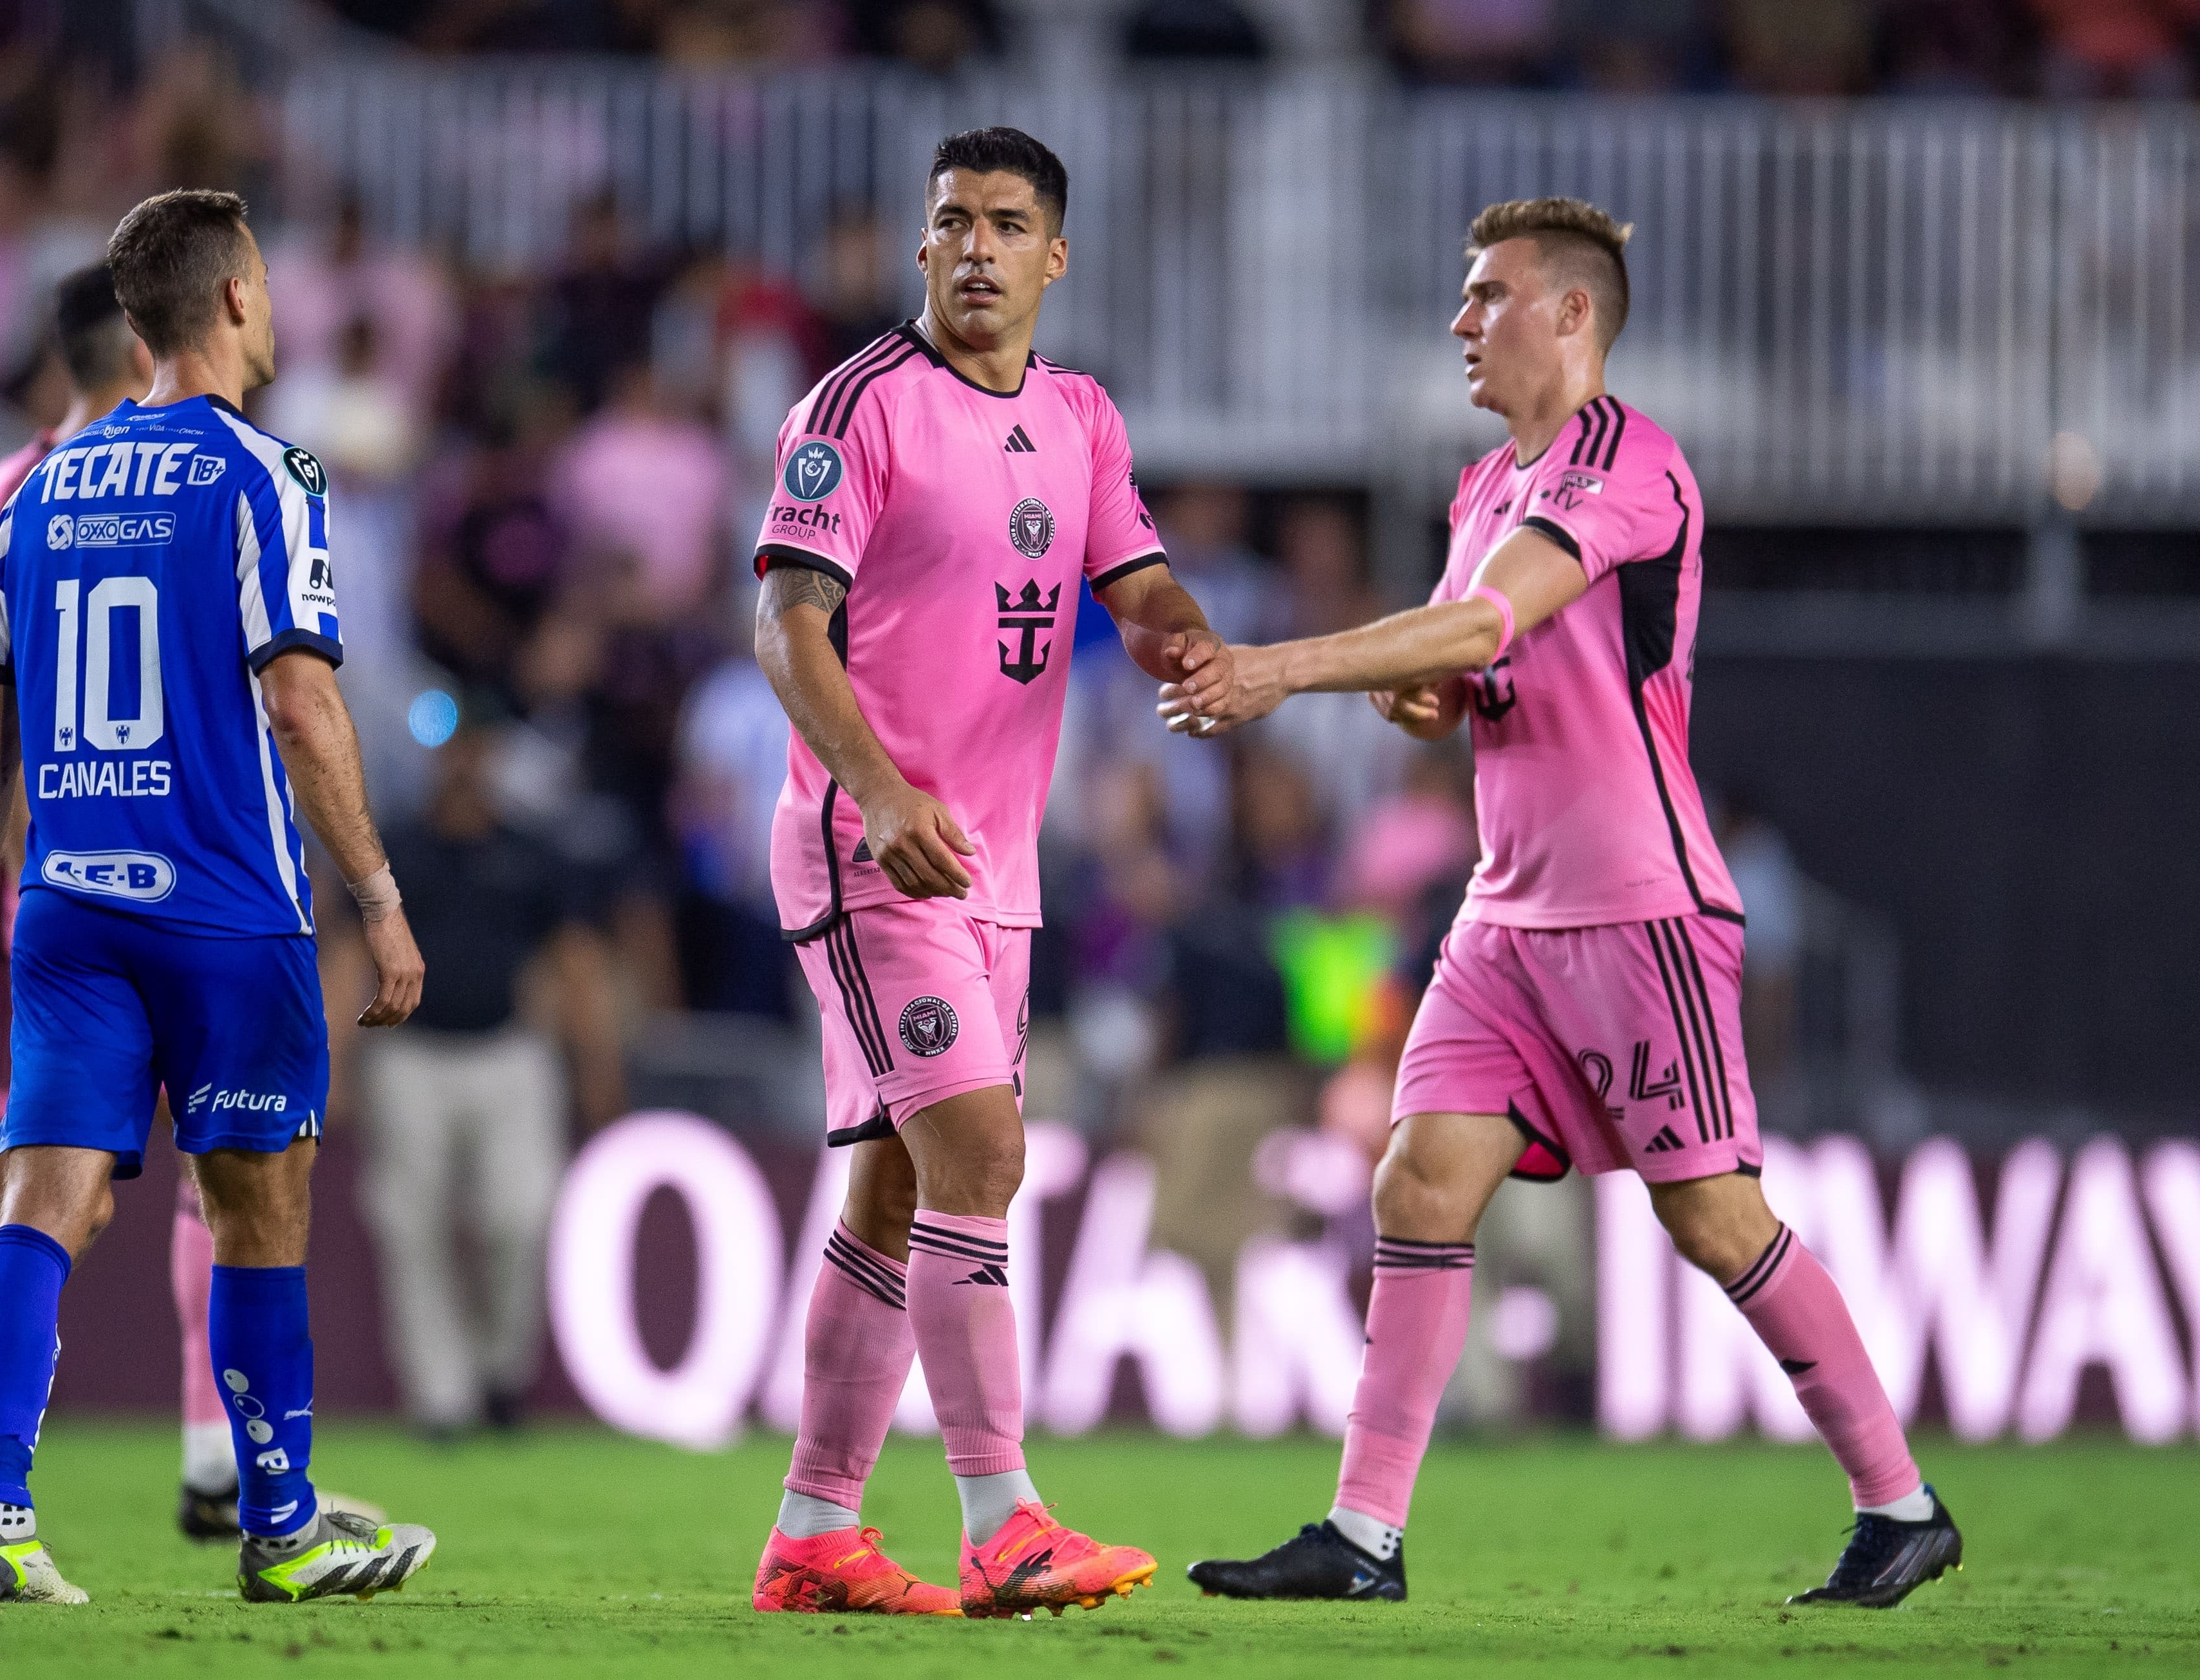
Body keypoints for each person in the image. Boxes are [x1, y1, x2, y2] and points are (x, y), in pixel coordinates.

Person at [1167, 198, 1961, 1609]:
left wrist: (1278, 667)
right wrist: (1416, 699)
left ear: (1571, 314)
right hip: (1502, 918)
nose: (1460, 322)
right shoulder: (1484, 489)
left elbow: (1482, 621)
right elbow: (1453, 676)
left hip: (1633, 912)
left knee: (1711, 1217)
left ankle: (1896, 1502)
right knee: (1414, 1177)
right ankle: (1360, 1537)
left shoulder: (1630, 464)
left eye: (1486, 296)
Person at [0, 189, 438, 1606]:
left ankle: (0, 1517)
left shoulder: (40, 487)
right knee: (259, 1213)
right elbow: (306, 707)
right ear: (237, 300)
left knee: (41, 1204)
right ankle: (279, 1524)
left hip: (68, 909)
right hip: (224, 910)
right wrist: (377, 895)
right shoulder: (270, 475)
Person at [749, 126, 1230, 1620]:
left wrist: (1199, 647)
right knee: (983, 1160)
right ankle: (1001, 1520)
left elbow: (1135, 587)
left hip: (996, 870)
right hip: (872, 845)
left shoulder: (1080, 418)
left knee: (899, 1196)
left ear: (1052, 257)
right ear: (920, 243)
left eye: (1005, 224)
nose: (972, 247)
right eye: (949, 219)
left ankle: (814, 1533)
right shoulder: (854, 408)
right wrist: (878, 789)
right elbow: (786, 628)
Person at [358, 725, 622, 1438]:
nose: (465, 763)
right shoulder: (395, 851)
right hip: (409, 1054)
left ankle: (501, 1368)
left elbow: (574, 960)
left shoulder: (530, 853)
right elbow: (346, 957)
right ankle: (441, 1395)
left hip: (510, 1052)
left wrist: (595, 1063)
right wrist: (330, 1060)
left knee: (520, 1214)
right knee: (411, 1225)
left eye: (476, 745)